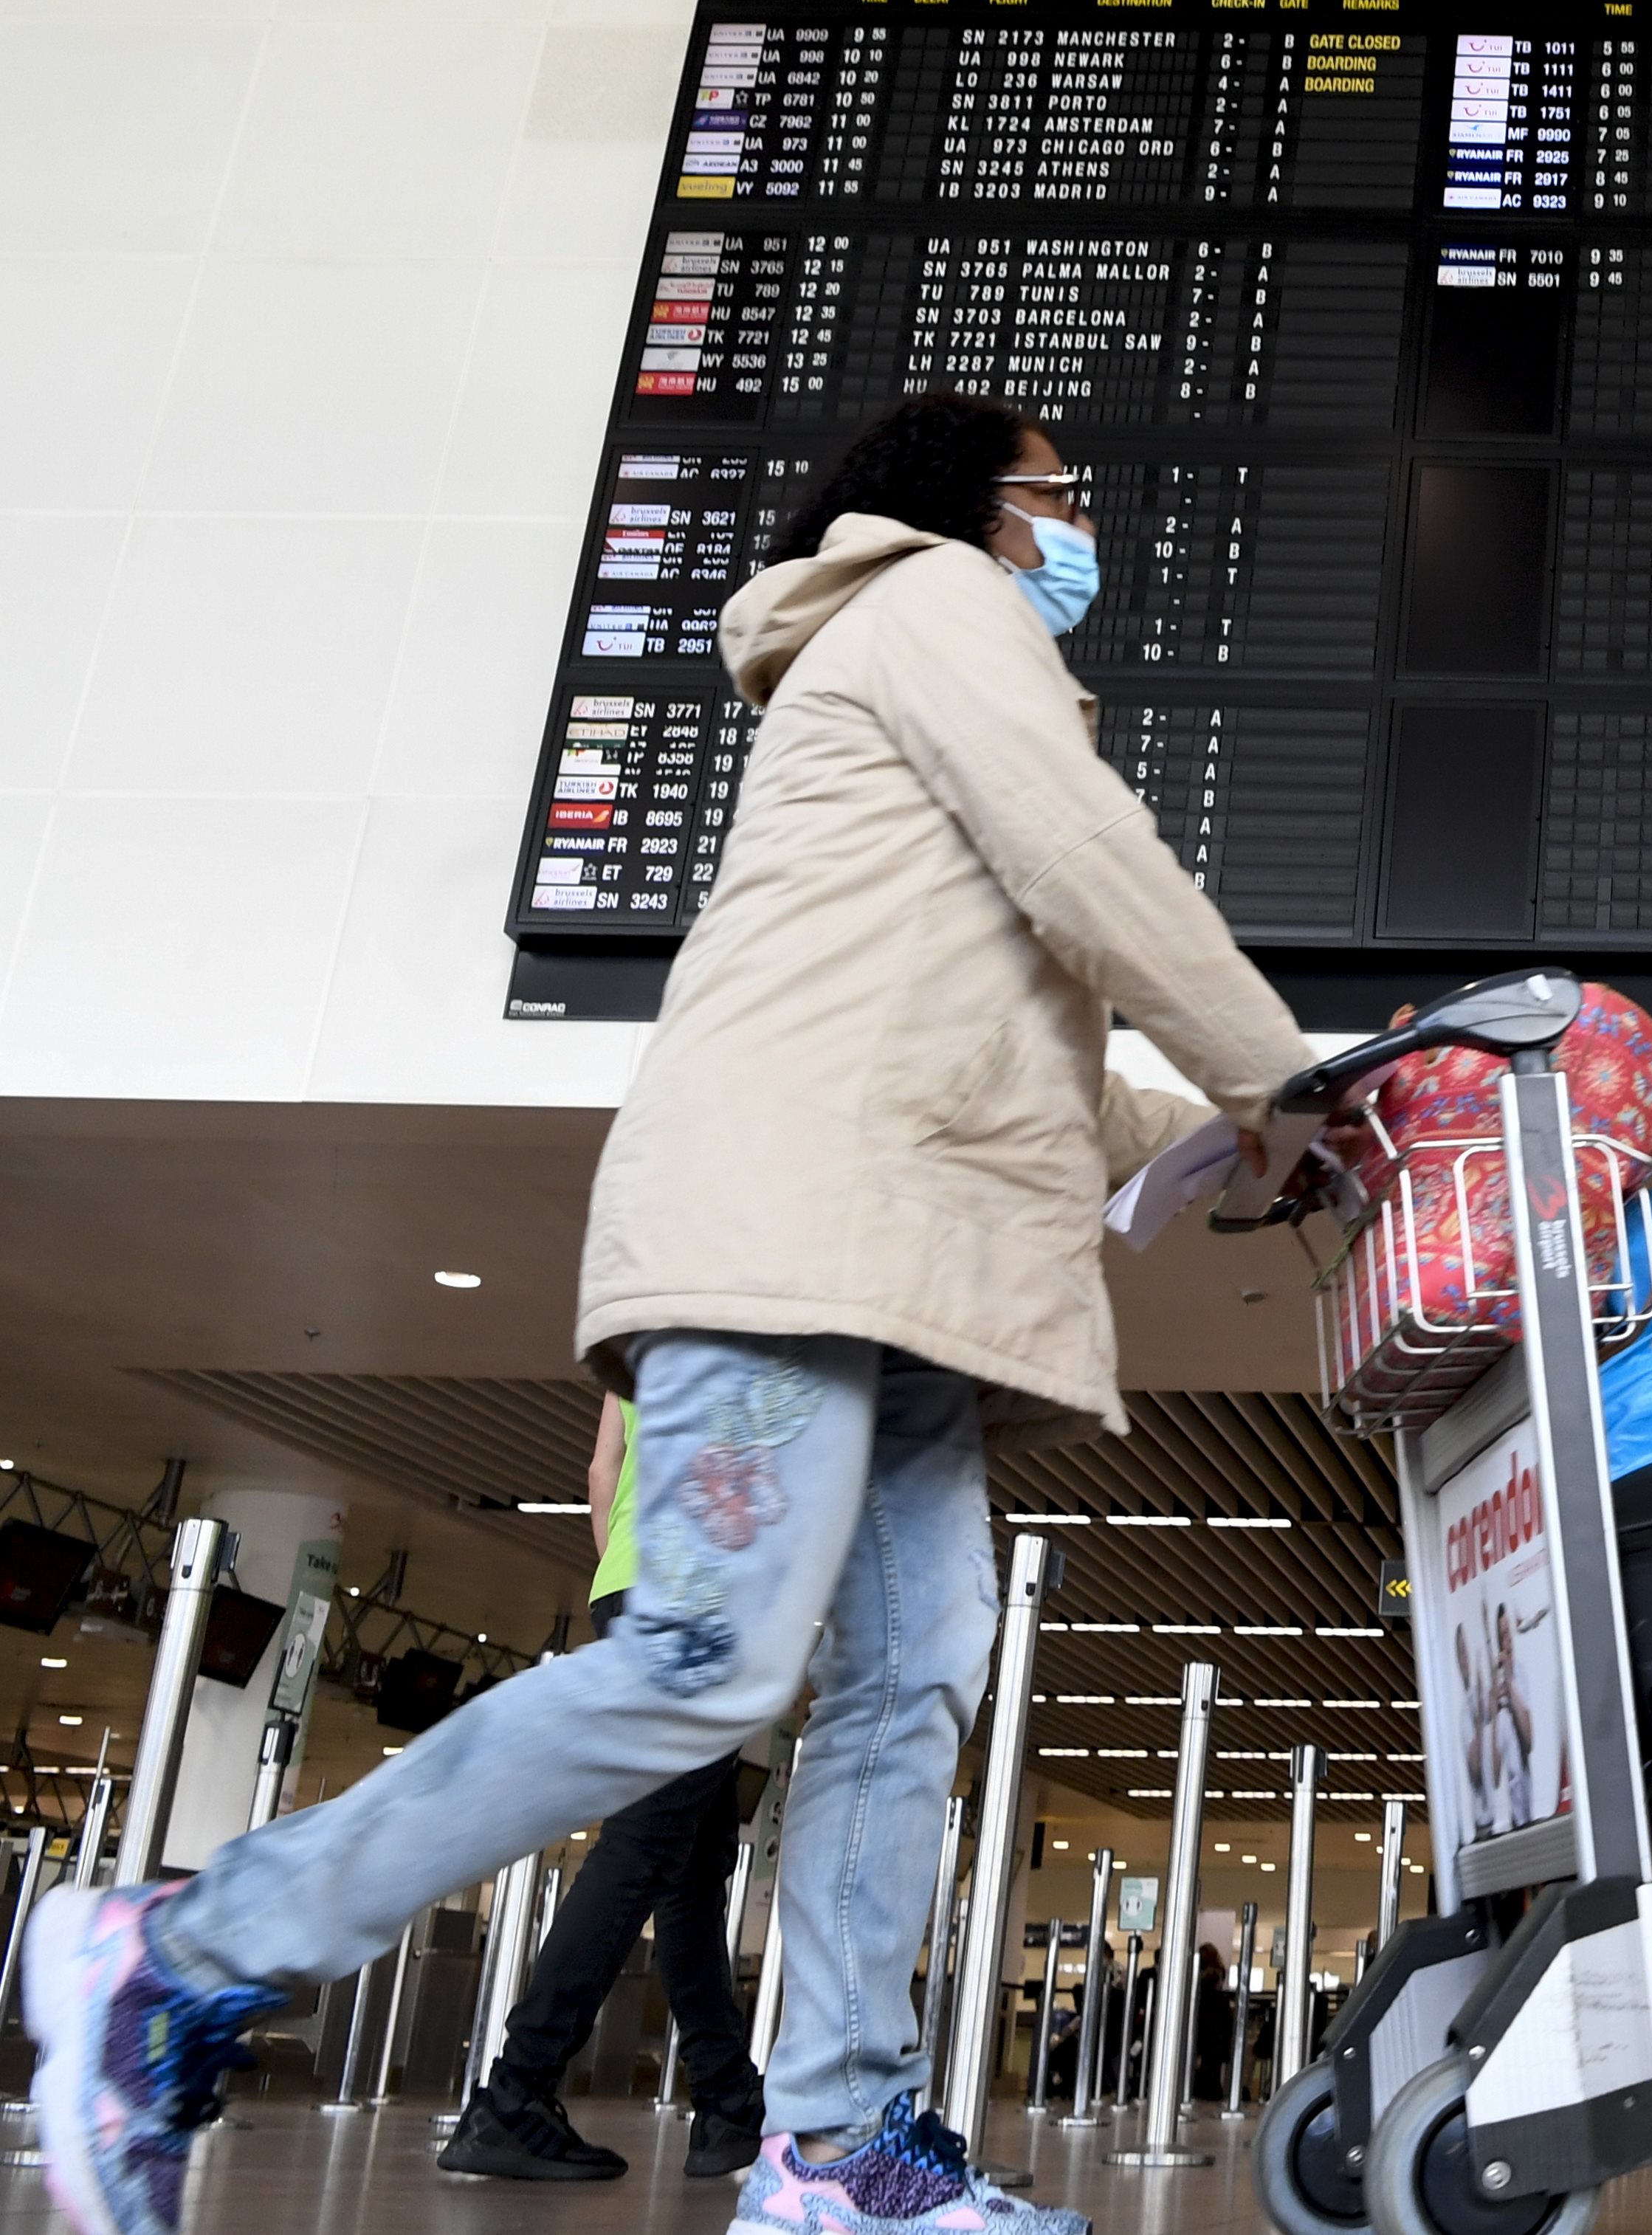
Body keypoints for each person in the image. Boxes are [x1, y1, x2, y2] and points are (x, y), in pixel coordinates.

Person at [22, 396, 1313, 2235]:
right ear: (978, 505)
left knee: (909, 1683)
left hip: (903, 1273)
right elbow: (1088, 855)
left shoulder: (902, 685)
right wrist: (1283, 1079)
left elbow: (1033, 1061)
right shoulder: (932, 600)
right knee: (706, 1659)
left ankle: (837, 2148)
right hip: (797, 1230)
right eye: (1061, 492)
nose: (1078, 524)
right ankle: (183, 1949)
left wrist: (1255, 1145)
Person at [436, 1394, 771, 2182]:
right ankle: (515, 2094)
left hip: (630, 1586)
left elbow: (603, 1468)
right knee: (643, 1847)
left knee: (691, 1866)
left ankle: (729, 2101)